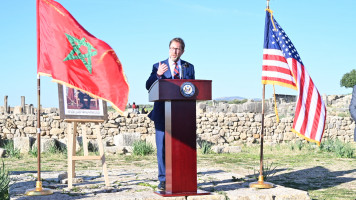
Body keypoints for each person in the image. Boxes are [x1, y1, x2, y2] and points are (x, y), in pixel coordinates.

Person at [145, 37, 195, 190]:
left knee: (180, 147)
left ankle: (180, 177)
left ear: (182, 51)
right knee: (162, 148)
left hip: (181, 115)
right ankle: (163, 179)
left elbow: (192, 89)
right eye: (172, 48)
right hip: (161, 114)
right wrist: (158, 75)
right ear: (169, 49)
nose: (175, 51)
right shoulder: (158, 66)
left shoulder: (189, 67)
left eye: (178, 49)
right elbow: (148, 85)